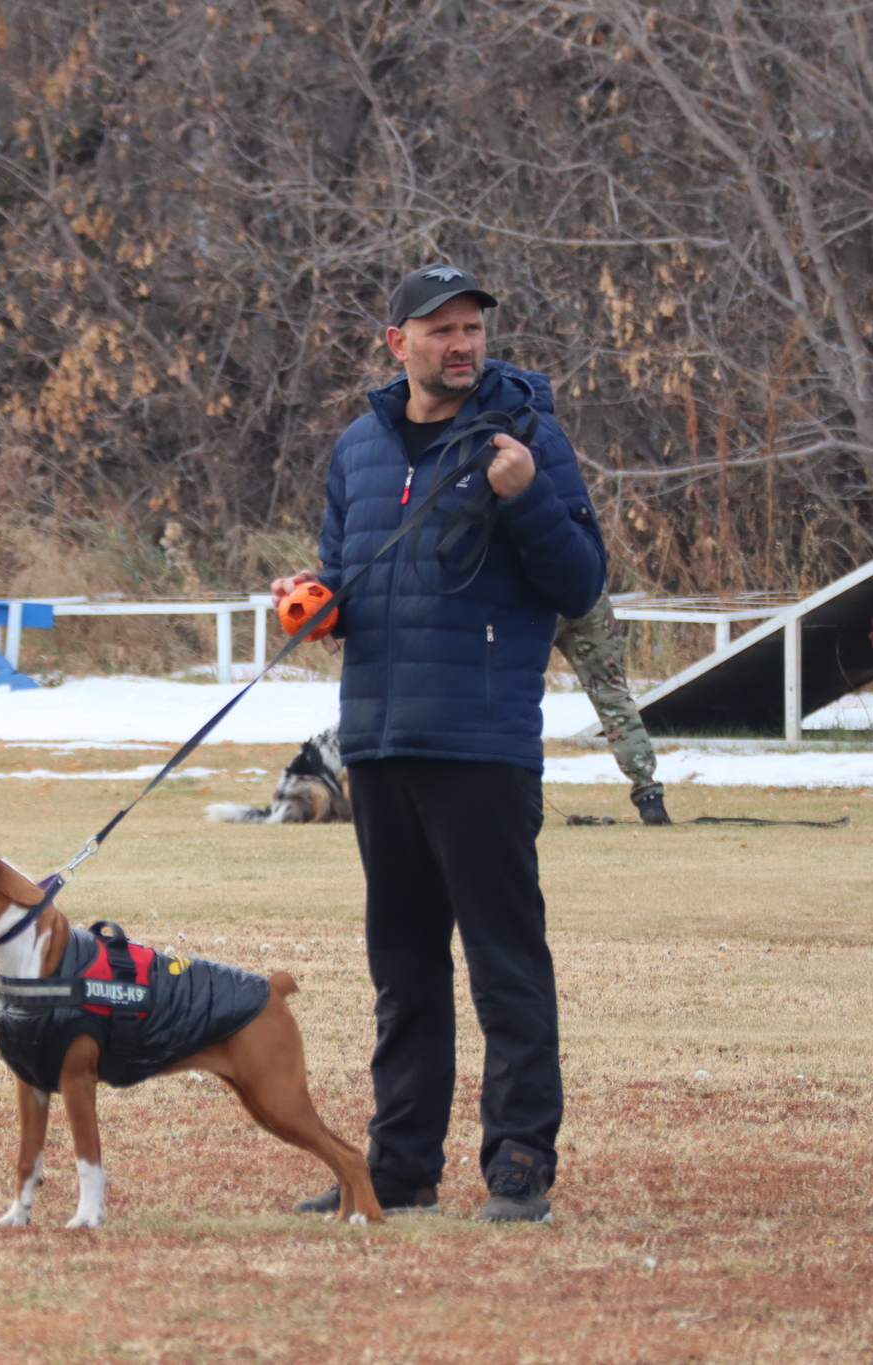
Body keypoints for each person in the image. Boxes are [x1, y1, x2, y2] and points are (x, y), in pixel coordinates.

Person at [273, 264, 605, 1223]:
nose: (462, 345)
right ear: (398, 343)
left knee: (506, 962)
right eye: (441, 330)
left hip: (482, 742)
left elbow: (580, 584)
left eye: (473, 329)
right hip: (379, 740)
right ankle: (400, 1167)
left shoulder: (529, 440)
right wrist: (315, 602)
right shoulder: (358, 450)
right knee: (404, 968)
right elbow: (348, 581)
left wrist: (527, 496)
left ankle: (518, 1165)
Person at [553, 593, 667, 824]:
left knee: (513, 694)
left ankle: (511, 792)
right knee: (613, 696)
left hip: (535, 597)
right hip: (588, 593)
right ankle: (649, 795)